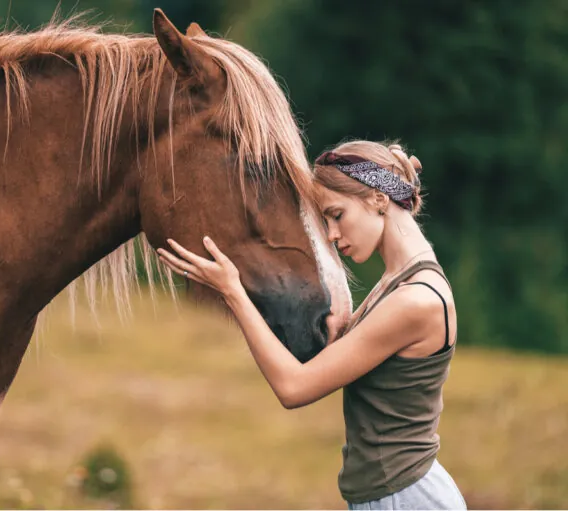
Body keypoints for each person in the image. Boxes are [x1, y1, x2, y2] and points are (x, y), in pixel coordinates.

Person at [157, 140, 467, 510]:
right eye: (326, 221)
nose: (332, 234)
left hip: (405, 499)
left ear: (379, 199)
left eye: (337, 215)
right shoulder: (397, 283)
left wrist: (233, 292)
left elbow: (294, 388)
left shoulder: (413, 301)